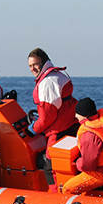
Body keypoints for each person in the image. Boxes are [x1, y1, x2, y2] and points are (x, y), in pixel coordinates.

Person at [26, 48, 78, 192]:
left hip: (59, 130)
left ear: (43, 63)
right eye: (30, 66)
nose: (32, 69)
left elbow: (47, 117)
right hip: (71, 124)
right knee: (68, 163)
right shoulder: (59, 75)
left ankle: (56, 195)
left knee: (50, 166)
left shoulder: (47, 83)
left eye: (35, 64)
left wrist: (32, 130)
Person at [60, 98, 103, 195]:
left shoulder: (90, 135)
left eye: (77, 113)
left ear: (84, 116)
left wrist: (77, 163)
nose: (76, 116)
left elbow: (88, 165)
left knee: (68, 188)